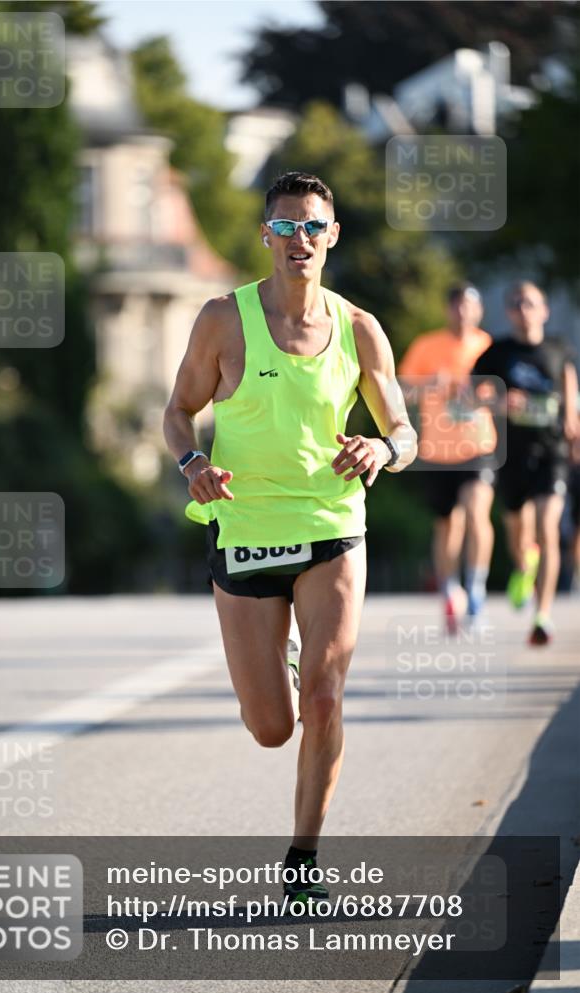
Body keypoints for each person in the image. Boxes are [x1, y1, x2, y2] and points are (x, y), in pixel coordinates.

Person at [163, 171, 416, 903]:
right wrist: (193, 462)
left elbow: (403, 429)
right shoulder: (221, 318)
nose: (298, 239)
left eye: (312, 226)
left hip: (330, 525)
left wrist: (382, 450)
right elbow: (178, 411)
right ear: (265, 235)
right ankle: (284, 657)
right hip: (243, 527)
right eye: (285, 226)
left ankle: (303, 857)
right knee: (272, 727)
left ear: (332, 235)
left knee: (326, 697)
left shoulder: (360, 328)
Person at [473, 281, 579, 645]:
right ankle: (524, 563)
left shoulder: (557, 347)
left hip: (552, 454)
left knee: (548, 527)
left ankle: (542, 615)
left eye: (530, 303)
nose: (523, 309)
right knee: (518, 533)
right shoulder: (498, 352)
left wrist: (573, 423)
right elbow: (470, 397)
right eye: (516, 303)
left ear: (544, 310)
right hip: (511, 455)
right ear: (508, 311)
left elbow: (568, 379)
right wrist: (498, 404)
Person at [398, 284, 497, 630]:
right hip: (438, 451)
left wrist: (480, 395)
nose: (462, 312)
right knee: (447, 525)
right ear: (447, 310)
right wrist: (428, 385)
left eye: (469, 306)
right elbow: (400, 391)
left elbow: (502, 394)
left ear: (479, 310)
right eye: (456, 306)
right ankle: (450, 591)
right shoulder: (427, 345)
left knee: (476, 512)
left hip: (478, 447)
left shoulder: (488, 346)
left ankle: (476, 591)